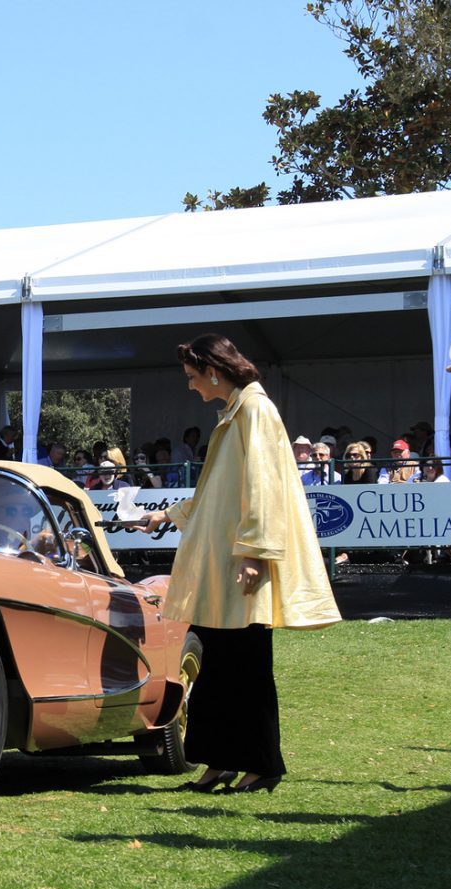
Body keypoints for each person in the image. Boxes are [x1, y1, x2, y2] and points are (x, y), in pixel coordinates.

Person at [138, 334, 338, 795]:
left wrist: (253, 552)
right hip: (221, 565)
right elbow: (216, 492)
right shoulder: (235, 411)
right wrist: (167, 516)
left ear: (213, 370)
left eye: (192, 377)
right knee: (219, 664)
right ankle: (219, 761)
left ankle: (262, 763)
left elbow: (264, 487)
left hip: (240, 563)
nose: (190, 387)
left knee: (245, 666)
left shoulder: (254, 410)